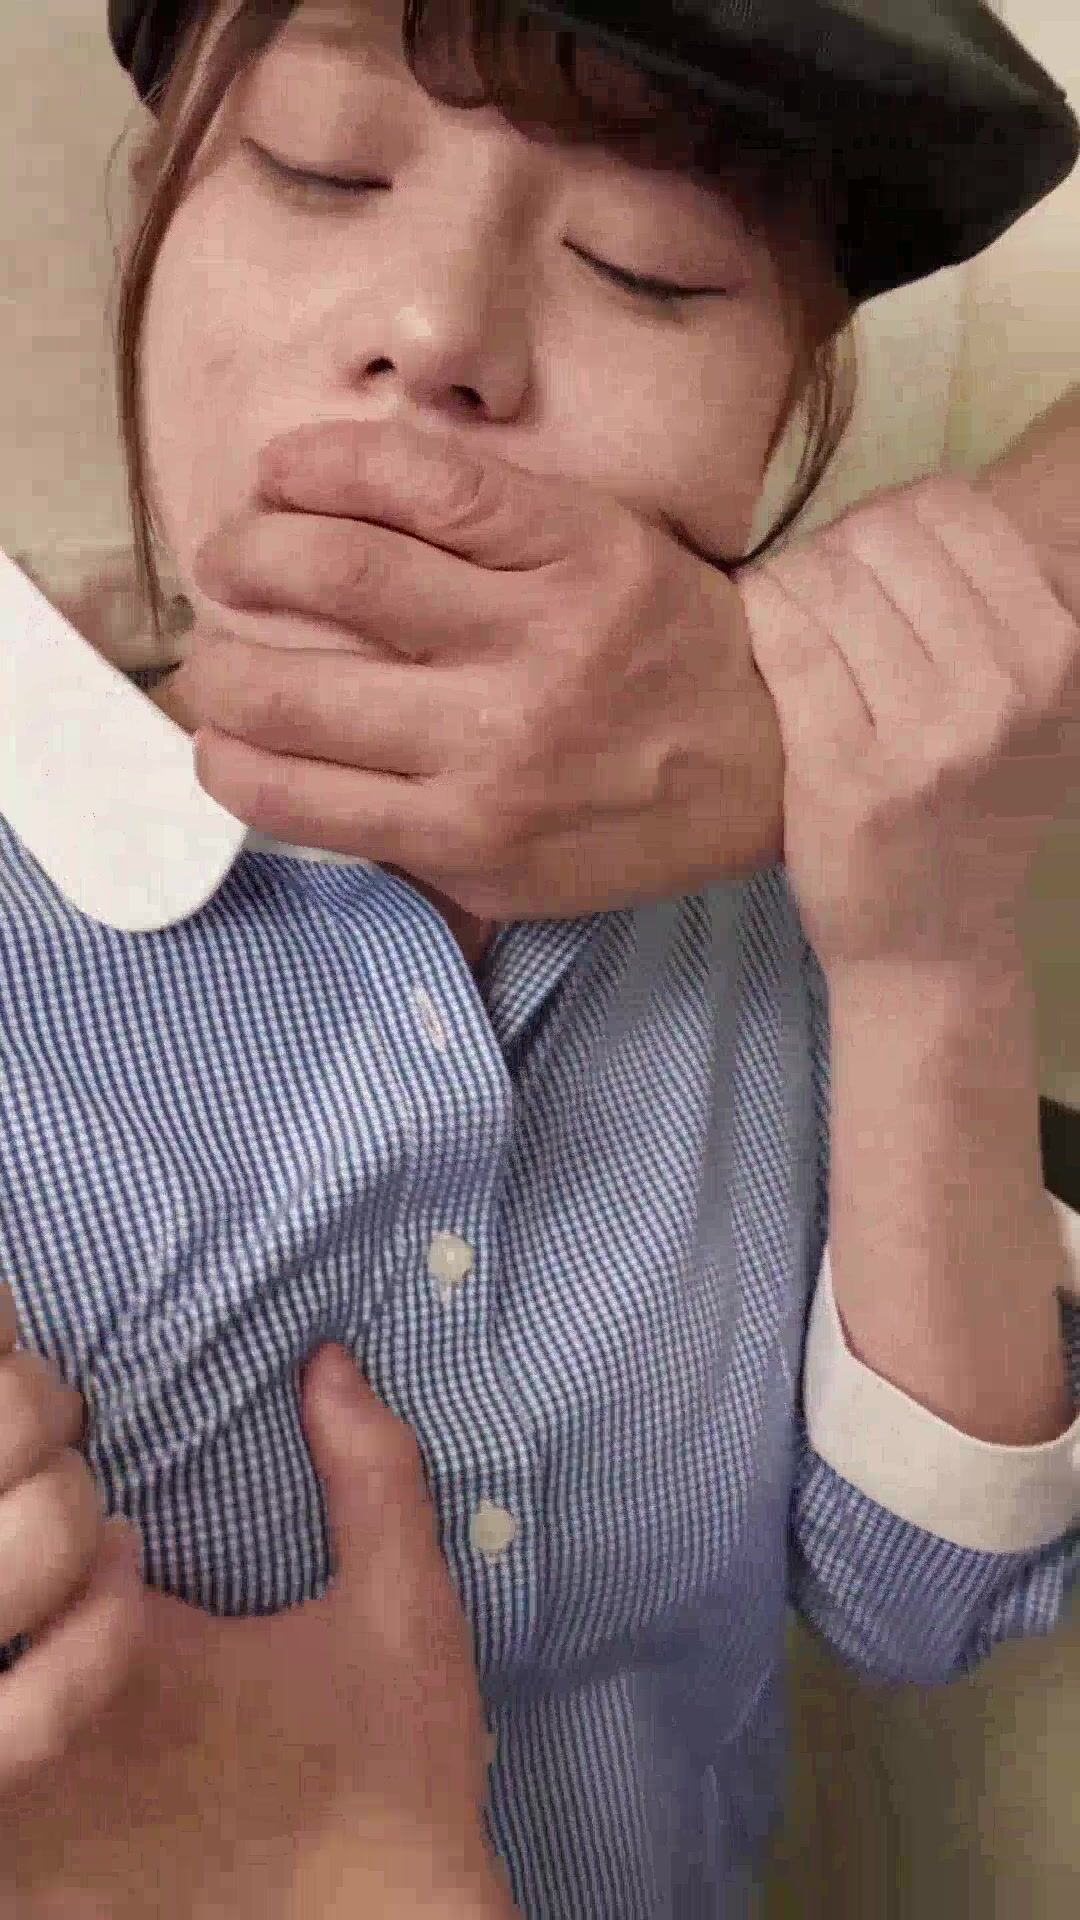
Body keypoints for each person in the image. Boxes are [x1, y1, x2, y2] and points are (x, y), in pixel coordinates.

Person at [2, 1, 1079, 1914]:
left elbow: (923, 1597)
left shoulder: (778, 899)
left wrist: (928, 952)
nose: (440, 334)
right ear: (160, 203)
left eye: (648, 271)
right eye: (321, 168)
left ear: (789, 404)